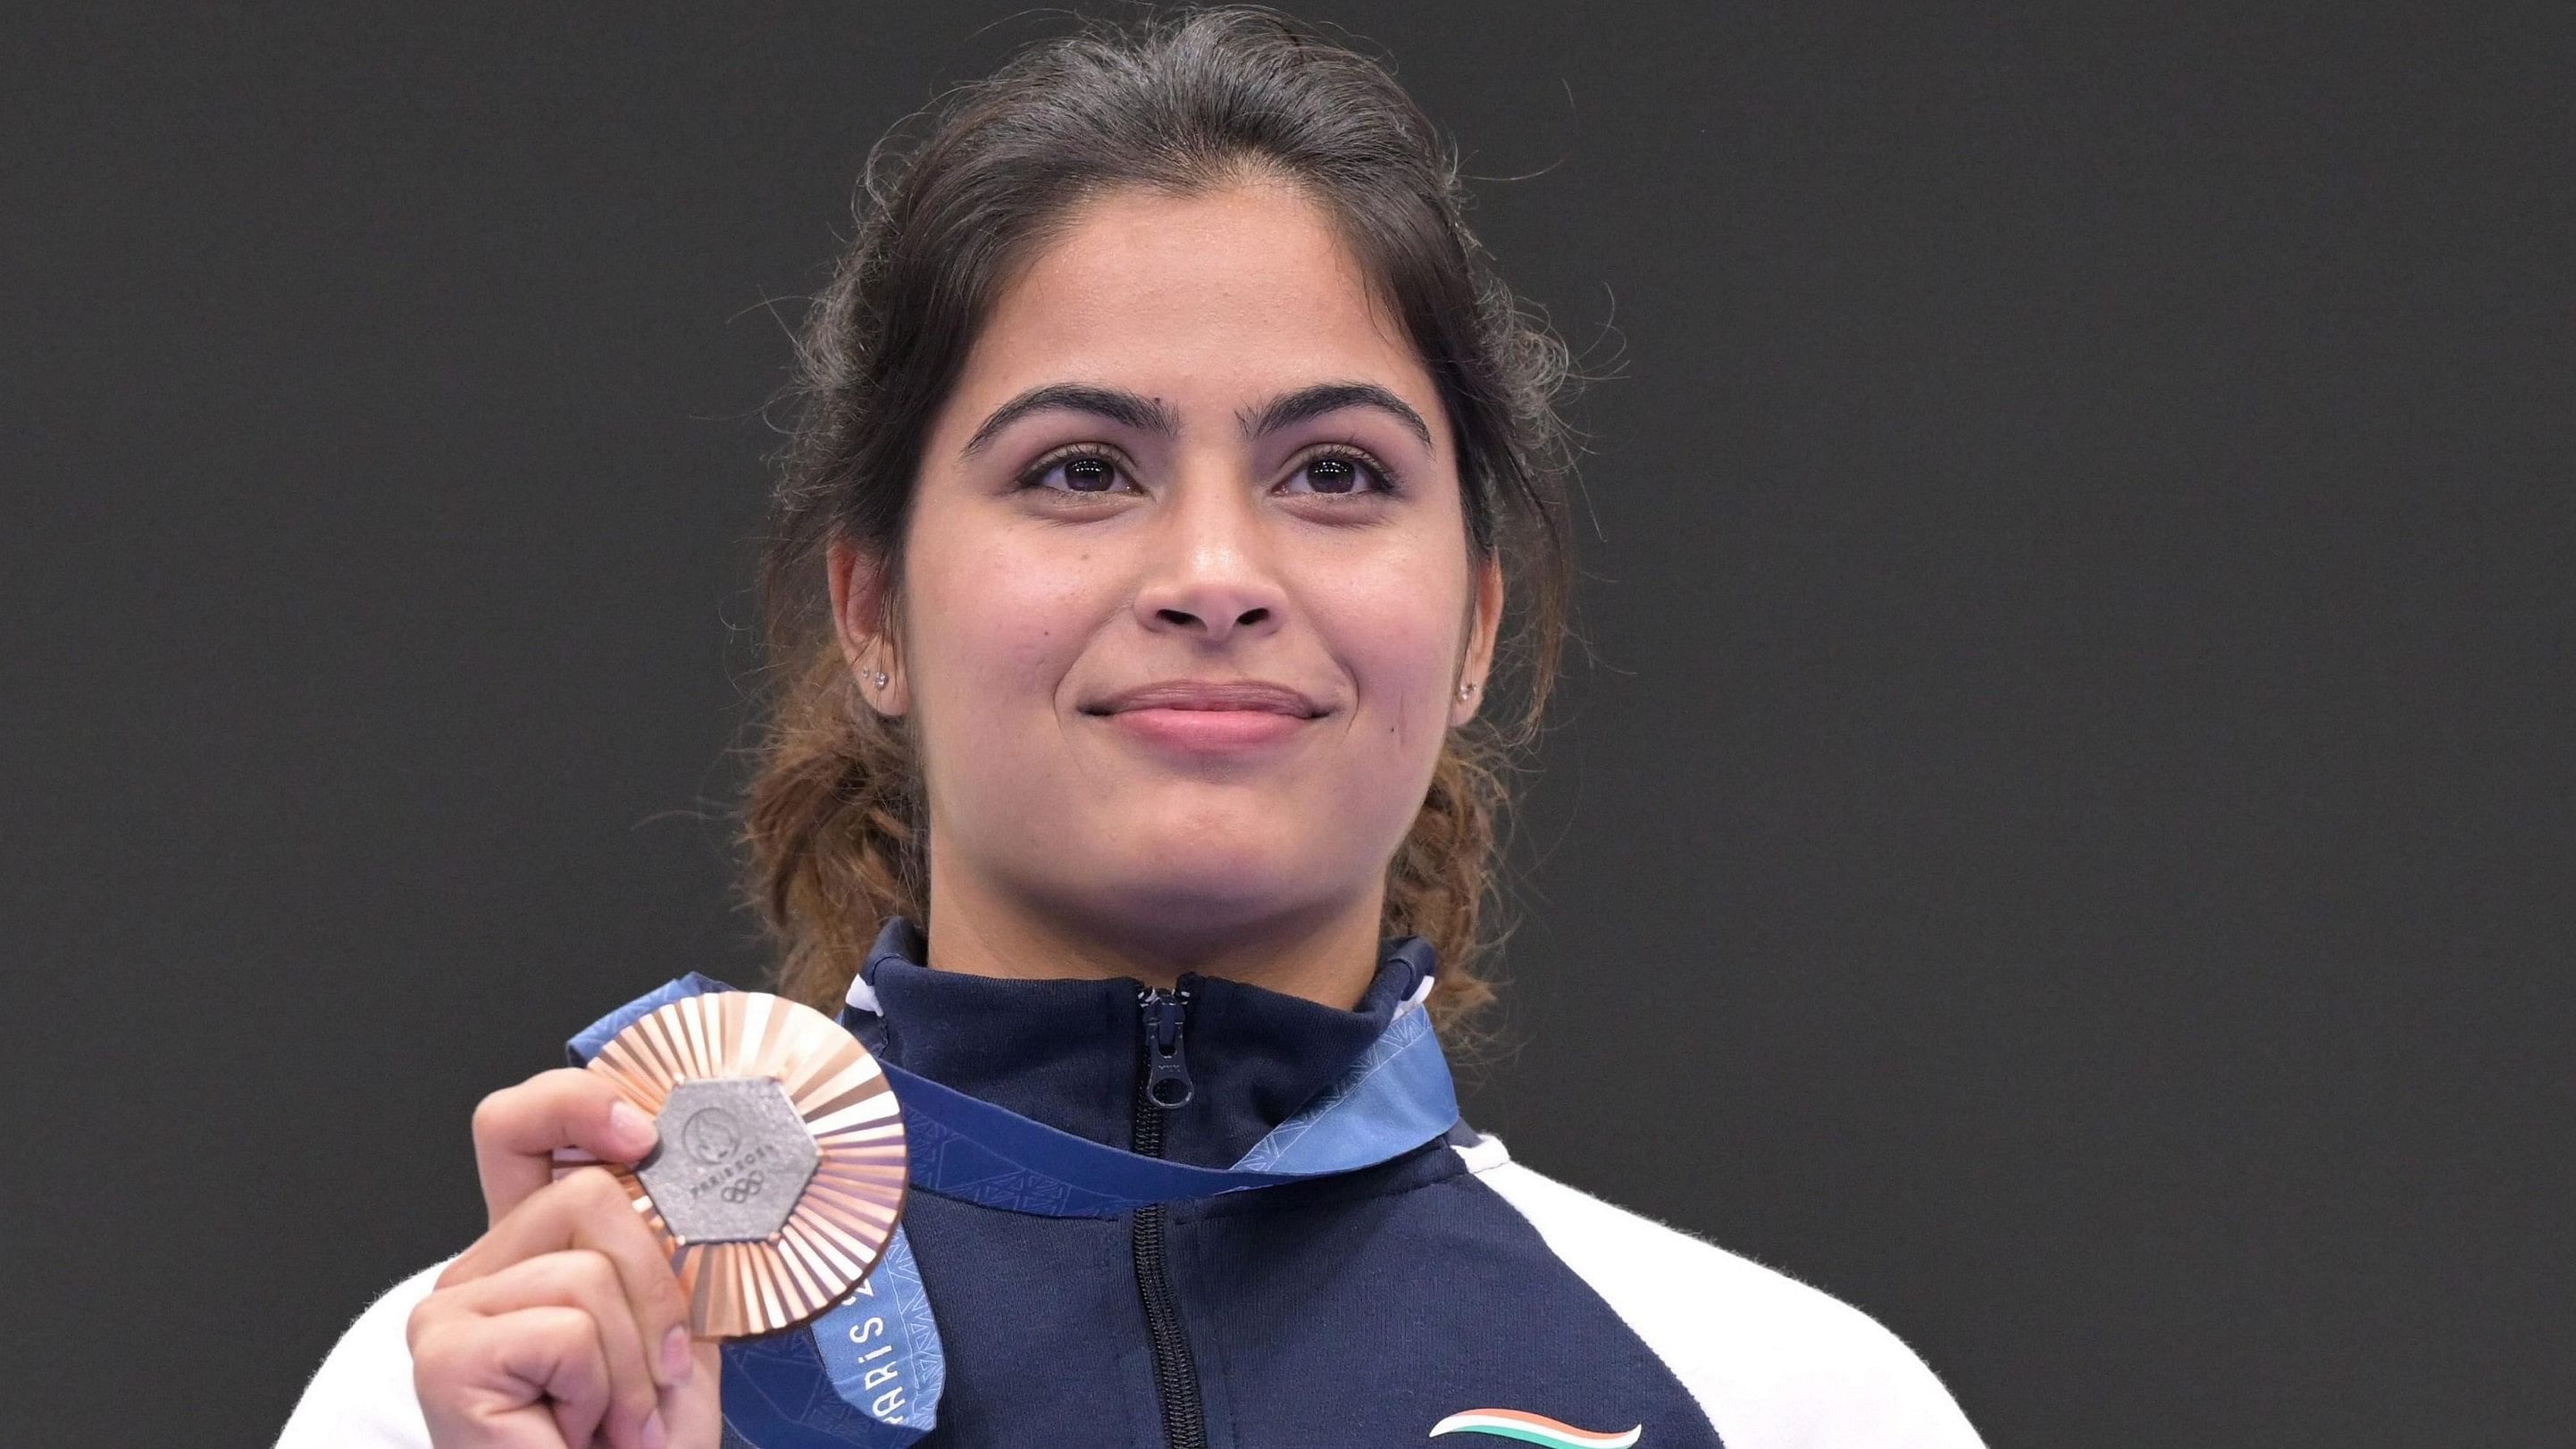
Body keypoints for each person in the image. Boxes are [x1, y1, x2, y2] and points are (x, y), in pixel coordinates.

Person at [279, 8, 1986, 1447]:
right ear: (872, 607)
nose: (1216, 572)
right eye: (1080, 470)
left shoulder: (1795, 1403)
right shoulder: (486, 1387)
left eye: (1337, 473)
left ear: (1471, 627)